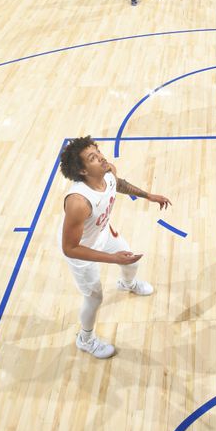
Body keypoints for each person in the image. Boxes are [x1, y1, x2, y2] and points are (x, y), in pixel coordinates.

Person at [59, 136, 171, 359]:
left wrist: (148, 196)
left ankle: (126, 283)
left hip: (102, 233)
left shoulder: (108, 170)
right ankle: (86, 339)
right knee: (94, 298)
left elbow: (117, 184)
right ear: (82, 171)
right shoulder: (78, 203)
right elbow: (69, 248)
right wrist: (113, 258)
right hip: (82, 251)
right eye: (92, 158)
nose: (101, 157)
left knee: (132, 261)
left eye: (97, 151)